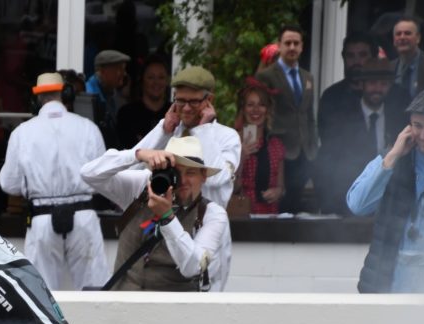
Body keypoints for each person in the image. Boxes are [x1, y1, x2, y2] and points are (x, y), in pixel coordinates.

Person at [0, 72, 108, 290]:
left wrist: (34, 185)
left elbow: (8, 184)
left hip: (42, 217)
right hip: (83, 216)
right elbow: (104, 176)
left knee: (43, 296)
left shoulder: (22, 133)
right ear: (66, 94)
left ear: (36, 99)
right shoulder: (88, 128)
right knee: (94, 294)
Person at [81, 135, 232, 291]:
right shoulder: (142, 187)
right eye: (176, 172)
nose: (182, 180)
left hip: (170, 309)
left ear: (204, 177)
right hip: (124, 302)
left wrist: (168, 218)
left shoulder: (211, 213)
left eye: (191, 173)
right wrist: (137, 155)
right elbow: (88, 174)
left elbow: (192, 268)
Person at [346, 88, 424, 293]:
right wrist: (392, 157)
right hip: (386, 281)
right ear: (409, 125)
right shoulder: (391, 157)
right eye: (418, 126)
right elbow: (357, 205)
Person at [132, 65, 240, 208]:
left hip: (208, 222)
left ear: (210, 100)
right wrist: (163, 131)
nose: (187, 108)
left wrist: (203, 129)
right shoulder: (168, 131)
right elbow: (132, 167)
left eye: (194, 101)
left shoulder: (228, 136)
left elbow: (216, 179)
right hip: (168, 221)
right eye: (181, 100)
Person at [316, 58, 409, 216]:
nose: (378, 89)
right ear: (362, 85)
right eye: (373, 83)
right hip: (346, 204)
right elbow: (328, 164)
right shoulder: (342, 118)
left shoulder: (399, 119)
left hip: (388, 205)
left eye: (383, 84)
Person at [258, 24, 318, 214]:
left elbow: (309, 114)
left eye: (296, 43)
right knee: (279, 205)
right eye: (288, 43)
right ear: (279, 45)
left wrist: (313, 144)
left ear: (301, 46)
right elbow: (259, 113)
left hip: (305, 151)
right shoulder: (265, 76)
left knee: (297, 203)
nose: (292, 47)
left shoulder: (308, 77)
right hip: (279, 150)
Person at [233, 77, 285, 215]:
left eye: (261, 104)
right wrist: (241, 158)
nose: (256, 110)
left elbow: (281, 186)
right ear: (243, 109)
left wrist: (278, 192)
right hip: (241, 213)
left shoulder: (276, 145)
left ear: (267, 110)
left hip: (269, 214)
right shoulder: (232, 141)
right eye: (250, 105)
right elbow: (230, 188)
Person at [116, 55, 170, 149]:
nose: (156, 82)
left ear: (167, 81)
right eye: (150, 77)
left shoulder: (175, 112)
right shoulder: (127, 114)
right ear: (142, 80)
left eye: (161, 77)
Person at [85, 49, 130, 149]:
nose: (124, 73)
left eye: (124, 69)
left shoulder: (111, 94)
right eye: (119, 69)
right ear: (102, 71)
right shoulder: (89, 95)